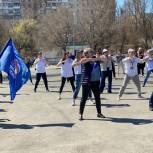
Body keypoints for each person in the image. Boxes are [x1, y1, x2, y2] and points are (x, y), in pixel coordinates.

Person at [79, 48, 106, 120]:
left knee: (97, 98)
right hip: (86, 82)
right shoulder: (84, 59)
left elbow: (104, 60)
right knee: (84, 98)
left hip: (95, 81)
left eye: (89, 52)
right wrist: (95, 59)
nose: (85, 54)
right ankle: (81, 114)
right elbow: (82, 61)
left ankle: (99, 113)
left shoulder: (95, 59)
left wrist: (98, 58)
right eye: (86, 53)